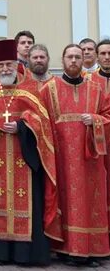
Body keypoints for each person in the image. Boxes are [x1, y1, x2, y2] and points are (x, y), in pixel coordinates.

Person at [0, 39, 60, 266]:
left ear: (16, 64)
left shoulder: (29, 87)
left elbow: (41, 121)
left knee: (26, 205)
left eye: (9, 65)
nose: (5, 69)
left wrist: (21, 126)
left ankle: (25, 254)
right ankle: (0, 254)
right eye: (1, 65)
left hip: (24, 157)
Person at [42, 44, 110, 266]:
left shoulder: (97, 89)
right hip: (61, 160)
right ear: (62, 60)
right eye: (69, 57)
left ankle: (89, 249)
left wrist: (97, 120)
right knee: (67, 203)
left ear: (83, 61)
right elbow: (39, 120)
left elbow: (108, 115)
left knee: (89, 203)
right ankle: (66, 249)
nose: (73, 61)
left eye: (77, 57)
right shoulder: (48, 89)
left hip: (90, 160)